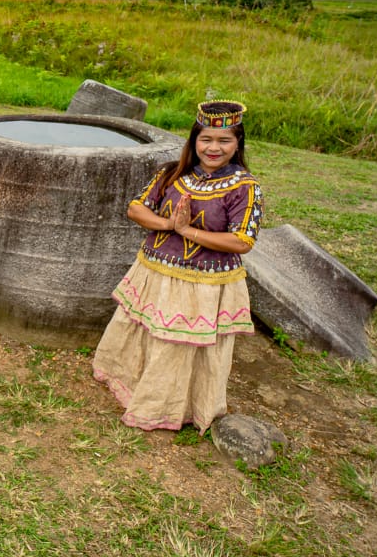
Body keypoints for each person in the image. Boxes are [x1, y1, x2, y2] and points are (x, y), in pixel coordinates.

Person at [91, 100, 264, 432]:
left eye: (224, 140)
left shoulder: (246, 187)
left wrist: (189, 231)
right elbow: (136, 209)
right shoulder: (172, 173)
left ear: (237, 143)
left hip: (203, 284)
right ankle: (133, 384)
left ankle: (171, 406)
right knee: (146, 332)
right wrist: (170, 226)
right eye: (206, 139)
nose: (214, 148)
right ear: (194, 140)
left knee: (178, 344)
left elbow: (242, 240)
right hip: (156, 269)